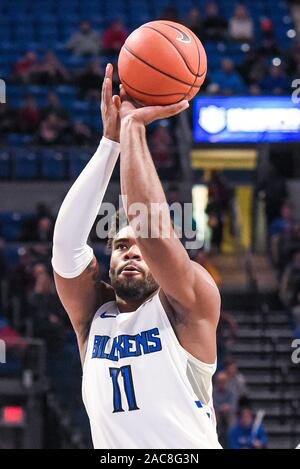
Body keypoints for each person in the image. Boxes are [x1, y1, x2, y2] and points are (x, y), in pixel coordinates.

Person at [52, 64, 222, 449]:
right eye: (119, 245)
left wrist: (132, 129)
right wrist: (109, 143)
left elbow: (152, 232)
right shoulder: (93, 317)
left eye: (140, 248)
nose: (131, 251)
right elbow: (65, 249)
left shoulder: (189, 302)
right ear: (108, 265)